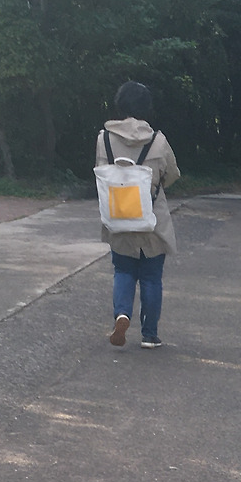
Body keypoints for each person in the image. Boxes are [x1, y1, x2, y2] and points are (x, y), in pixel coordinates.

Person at [97, 81, 180, 348]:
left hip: (119, 216)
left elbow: (101, 173)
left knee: (123, 270)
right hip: (151, 220)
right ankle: (149, 335)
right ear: (147, 107)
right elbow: (172, 175)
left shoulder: (104, 139)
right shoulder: (158, 140)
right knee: (151, 277)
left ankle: (122, 314)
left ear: (119, 105)